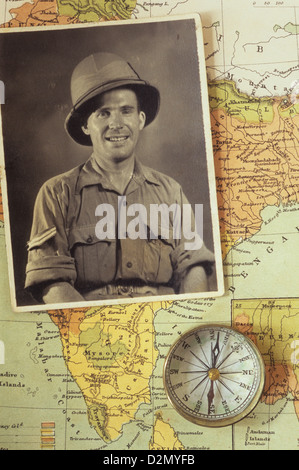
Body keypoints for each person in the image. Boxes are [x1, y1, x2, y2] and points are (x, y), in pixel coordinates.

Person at [25, 52, 215, 304]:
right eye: (103, 113)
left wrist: (187, 317)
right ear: (85, 125)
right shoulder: (56, 194)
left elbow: (194, 268)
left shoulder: (171, 191)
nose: (116, 123)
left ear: (140, 119)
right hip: (93, 330)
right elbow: (52, 283)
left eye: (126, 111)